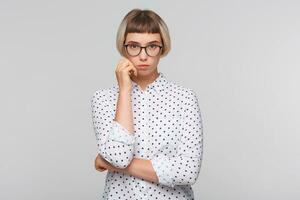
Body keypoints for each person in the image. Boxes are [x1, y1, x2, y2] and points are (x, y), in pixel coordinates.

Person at [91, 8, 204, 200]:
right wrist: (125, 91)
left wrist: (107, 163)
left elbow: (188, 171)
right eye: (134, 46)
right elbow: (119, 156)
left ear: (163, 48)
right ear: (123, 47)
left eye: (152, 46)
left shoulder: (184, 98)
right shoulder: (103, 99)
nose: (143, 56)